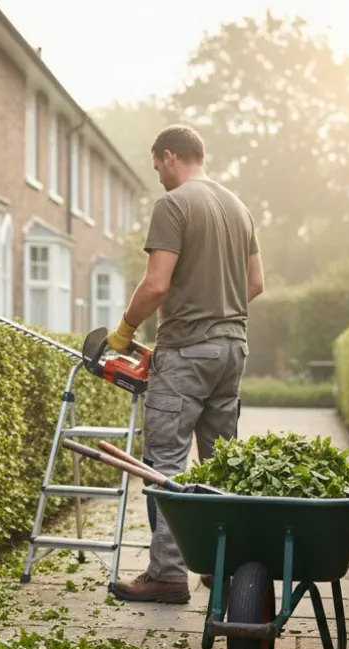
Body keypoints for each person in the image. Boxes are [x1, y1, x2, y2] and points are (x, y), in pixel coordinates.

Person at [105, 125, 265, 604]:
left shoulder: (173, 205)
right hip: (232, 349)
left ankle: (168, 575)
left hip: (187, 351)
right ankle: (221, 567)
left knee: (167, 465)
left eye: (157, 166)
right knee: (220, 463)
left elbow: (156, 285)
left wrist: (125, 329)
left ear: (170, 156)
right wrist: (218, 313)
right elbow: (256, 283)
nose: (158, 175)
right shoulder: (238, 207)